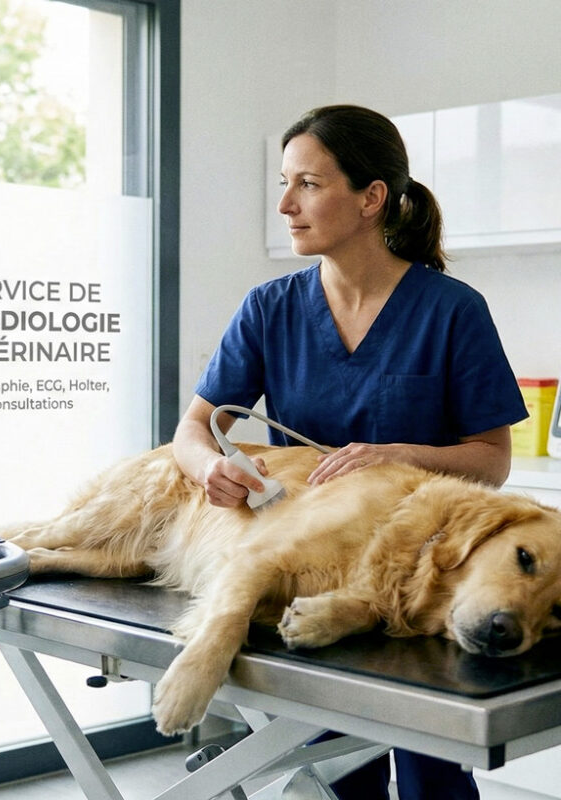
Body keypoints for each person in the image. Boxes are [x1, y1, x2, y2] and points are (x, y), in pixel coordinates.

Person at [172, 104, 528, 800]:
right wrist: (210, 468)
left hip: (416, 582)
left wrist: (394, 454)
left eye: (307, 184)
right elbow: (192, 430)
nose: (285, 205)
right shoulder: (269, 308)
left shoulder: (451, 310)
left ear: (371, 199)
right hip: (309, 574)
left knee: (434, 776)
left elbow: (492, 459)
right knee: (336, 772)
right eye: (284, 183)